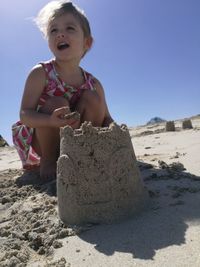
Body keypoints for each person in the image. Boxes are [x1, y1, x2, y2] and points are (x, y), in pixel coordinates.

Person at [12, 0, 113, 180]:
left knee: (93, 98)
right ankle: (49, 161)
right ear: (49, 41)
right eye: (54, 30)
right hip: (45, 138)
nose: (60, 35)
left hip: (76, 137)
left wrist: (116, 132)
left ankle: (85, 152)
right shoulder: (41, 73)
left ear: (87, 43)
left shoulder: (94, 83)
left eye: (69, 28)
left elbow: (106, 118)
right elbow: (25, 114)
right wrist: (50, 121)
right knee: (57, 103)